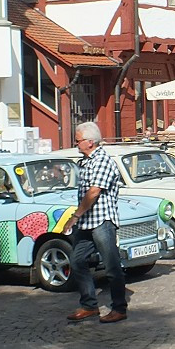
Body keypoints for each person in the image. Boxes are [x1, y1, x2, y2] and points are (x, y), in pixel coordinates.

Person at [63, 122, 128, 323]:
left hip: (102, 220)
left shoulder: (102, 160)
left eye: (78, 140)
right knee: (77, 260)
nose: (76, 144)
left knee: (111, 265)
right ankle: (89, 305)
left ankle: (119, 308)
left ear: (90, 142)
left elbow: (94, 191)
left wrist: (75, 216)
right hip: (87, 222)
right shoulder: (86, 161)